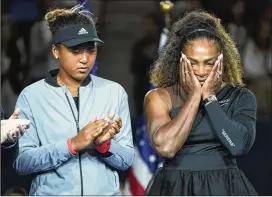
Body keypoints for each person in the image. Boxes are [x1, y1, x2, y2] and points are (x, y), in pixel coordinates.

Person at [13, 5, 134, 195]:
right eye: (75, 50)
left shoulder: (114, 92)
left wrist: (104, 146)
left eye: (90, 49)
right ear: (56, 51)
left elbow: (126, 160)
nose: (85, 59)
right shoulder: (31, 96)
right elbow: (23, 163)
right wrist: (73, 144)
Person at [144, 10, 258, 195]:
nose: (201, 71)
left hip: (224, 187)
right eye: (193, 63)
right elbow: (166, 148)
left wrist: (210, 99)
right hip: (175, 187)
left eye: (209, 63)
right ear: (180, 61)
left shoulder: (241, 97)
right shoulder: (159, 97)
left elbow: (238, 146)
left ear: (221, 61)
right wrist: (195, 96)